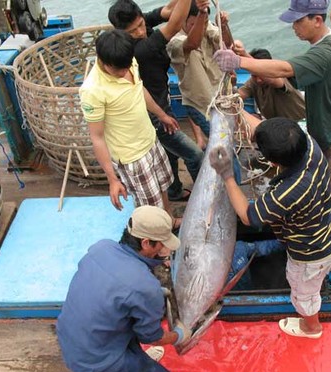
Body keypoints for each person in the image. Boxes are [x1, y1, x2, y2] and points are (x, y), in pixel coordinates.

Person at [213, 0, 331, 259]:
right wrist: (244, 57)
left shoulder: (323, 53)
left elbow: (284, 70)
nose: (293, 26)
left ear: (317, 19)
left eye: (298, 20)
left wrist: (239, 61)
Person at [209, 117, 331, 338]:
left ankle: (311, 327)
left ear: (273, 163)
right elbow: (273, 128)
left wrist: (227, 176)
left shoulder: (287, 192)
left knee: (304, 293)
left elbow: (249, 216)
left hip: (309, 252)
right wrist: (238, 110)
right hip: (329, 227)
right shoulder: (310, 146)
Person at [57, 205, 191, 372]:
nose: (166, 250)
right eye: (163, 244)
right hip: (97, 363)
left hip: (69, 340)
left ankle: (134, 356)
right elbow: (153, 338)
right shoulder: (145, 286)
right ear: (146, 243)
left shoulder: (101, 247)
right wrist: (179, 335)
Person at [108, 0, 204, 202]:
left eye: (141, 24)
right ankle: (201, 199)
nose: (141, 32)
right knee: (195, 155)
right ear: (122, 33)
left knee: (169, 153)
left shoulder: (141, 23)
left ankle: (174, 191)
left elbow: (169, 10)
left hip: (160, 103)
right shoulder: (138, 50)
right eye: (133, 31)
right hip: (154, 115)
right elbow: (175, 24)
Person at [80, 30, 179, 224]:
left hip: (150, 140)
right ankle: (159, 246)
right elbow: (97, 137)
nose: (125, 72)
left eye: (127, 66)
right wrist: (112, 179)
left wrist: (161, 115)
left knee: (162, 187)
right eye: (119, 70)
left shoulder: (127, 62)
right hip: (132, 156)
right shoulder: (92, 91)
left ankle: (169, 220)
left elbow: (139, 89)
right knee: (150, 208)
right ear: (103, 61)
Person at [166, 0, 233, 142]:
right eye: (194, 24)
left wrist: (224, 26)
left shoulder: (206, 25)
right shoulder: (173, 42)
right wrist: (202, 13)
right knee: (222, 142)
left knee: (227, 140)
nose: (202, 28)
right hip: (199, 105)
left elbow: (226, 44)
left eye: (204, 22)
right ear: (182, 21)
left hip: (219, 97)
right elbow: (191, 43)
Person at [234, 46, 306, 121]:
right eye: (254, 75)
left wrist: (245, 55)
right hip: (276, 123)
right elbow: (239, 95)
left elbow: (271, 79)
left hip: (300, 122)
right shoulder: (252, 82)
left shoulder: (281, 78)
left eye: (259, 75)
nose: (258, 80)